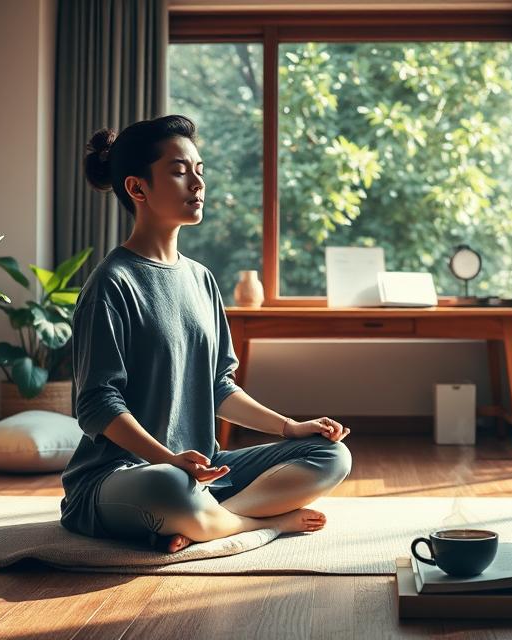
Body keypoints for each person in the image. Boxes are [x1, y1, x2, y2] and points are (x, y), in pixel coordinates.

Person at [60, 114, 352, 554]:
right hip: (123, 478)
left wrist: (290, 428)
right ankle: (259, 523)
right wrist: (168, 459)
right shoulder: (110, 284)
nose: (197, 184)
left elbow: (219, 387)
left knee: (331, 456)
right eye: (179, 172)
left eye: (200, 171)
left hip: (204, 471)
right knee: (169, 488)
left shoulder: (202, 280)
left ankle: (213, 521)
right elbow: (97, 406)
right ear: (138, 188)